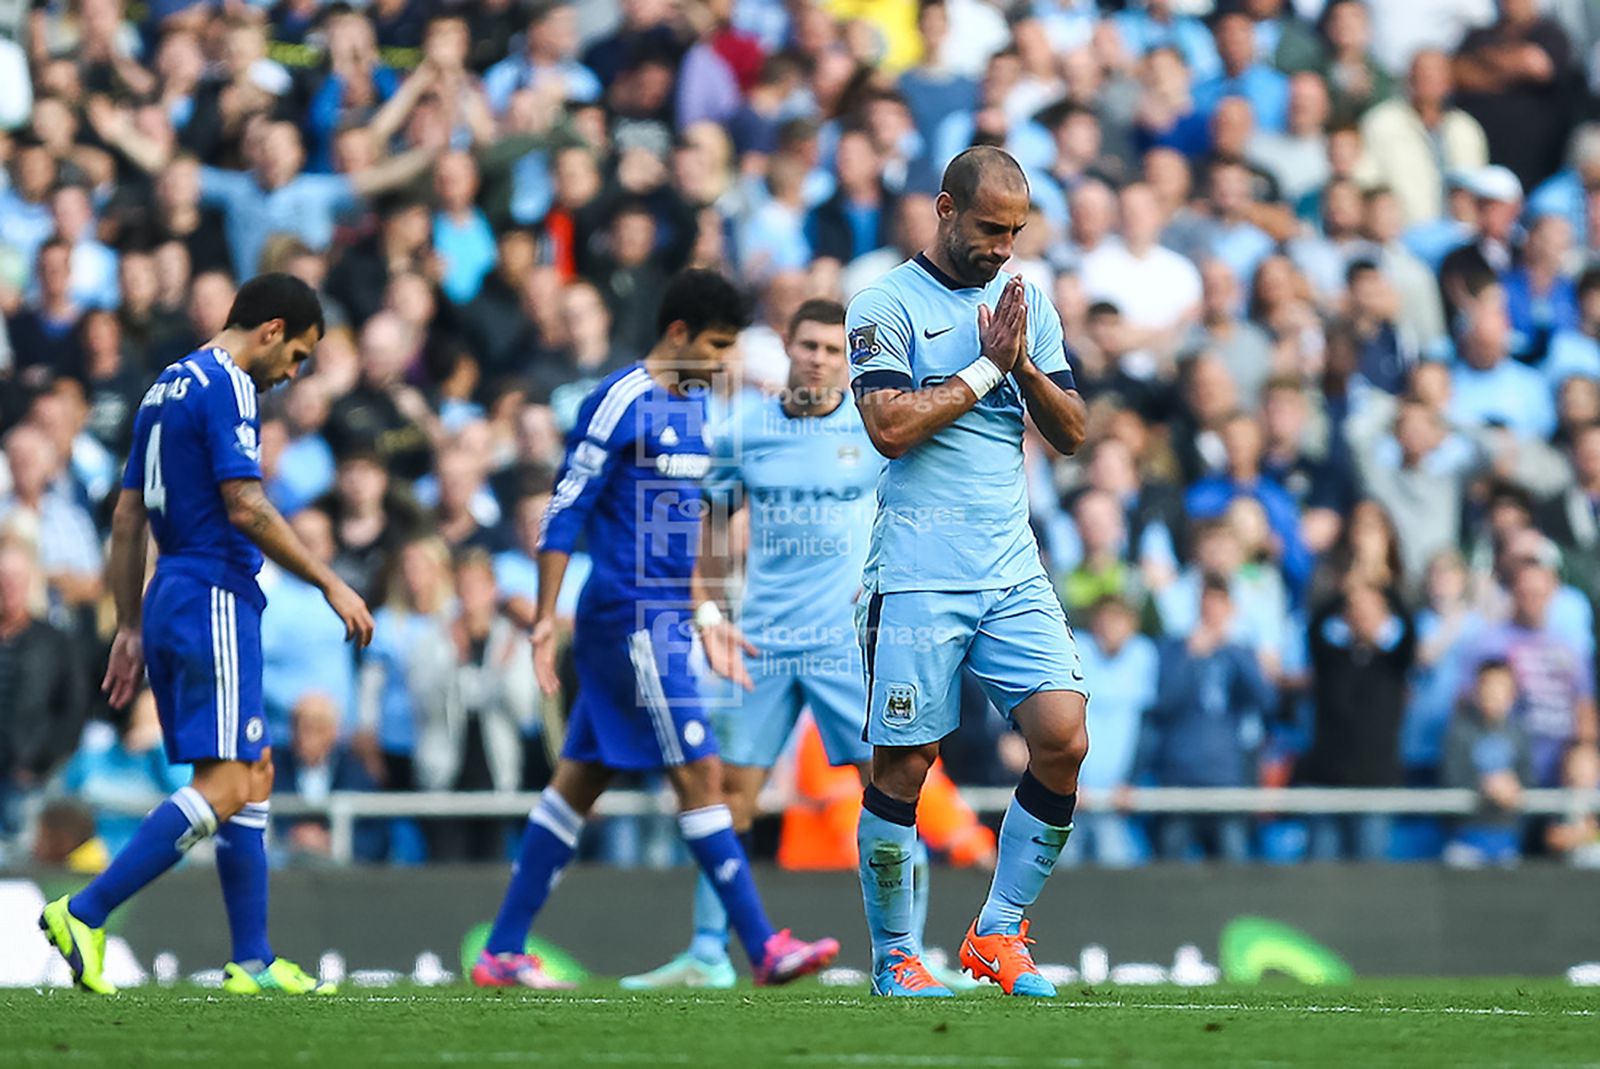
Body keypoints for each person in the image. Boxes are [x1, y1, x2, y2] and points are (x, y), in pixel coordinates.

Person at [472, 269, 839, 989]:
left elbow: (681, 527)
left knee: (579, 781)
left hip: (669, 611)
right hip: (631, 615)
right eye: (715, 344)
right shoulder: (618, 401)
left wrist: (705, 612)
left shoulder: (698, 404)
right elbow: (565, 509)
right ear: (678, 333)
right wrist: (546, 618)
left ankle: (502, 947)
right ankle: (763, 946)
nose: (722, 360)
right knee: (702, 773)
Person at [38, 274, 375, 997]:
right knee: (225, 782)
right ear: (272, 329)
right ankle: (84, 909)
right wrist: (330, 580)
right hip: (213, 592)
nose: (295, 373)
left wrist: (129, 623)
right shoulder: (229, 386)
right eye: (300, 356)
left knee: (252, 767)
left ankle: (251, 957)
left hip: (173, 595)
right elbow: (246, 505)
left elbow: (128, 517)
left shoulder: (165, 385)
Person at [624, 299, 960, 989]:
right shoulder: (745, 429)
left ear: (849, 357)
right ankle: (710, 954)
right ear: (788, 345)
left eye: (835, 350)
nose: (820, 359)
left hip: (848, 644)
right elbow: (710, 523)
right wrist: (711, 613)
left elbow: (921, 509)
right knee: (729, 797)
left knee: (892, 792)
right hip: (764, 641)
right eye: (809, 346)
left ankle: (910, 951)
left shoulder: (875, 426)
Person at [846, 146, 1088, 997]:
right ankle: (894, 956)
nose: (1003, 247)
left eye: (1016, 231)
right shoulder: (884, 304)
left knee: (1063, 738)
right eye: (990, 228)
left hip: (1009, 564)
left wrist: (1021, 361)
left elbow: (1074, 431)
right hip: (916, 570)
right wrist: (986, 365)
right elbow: (888, 425)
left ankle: (997, 932)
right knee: (904, 768)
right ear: (945, 209)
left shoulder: (1026, 304)